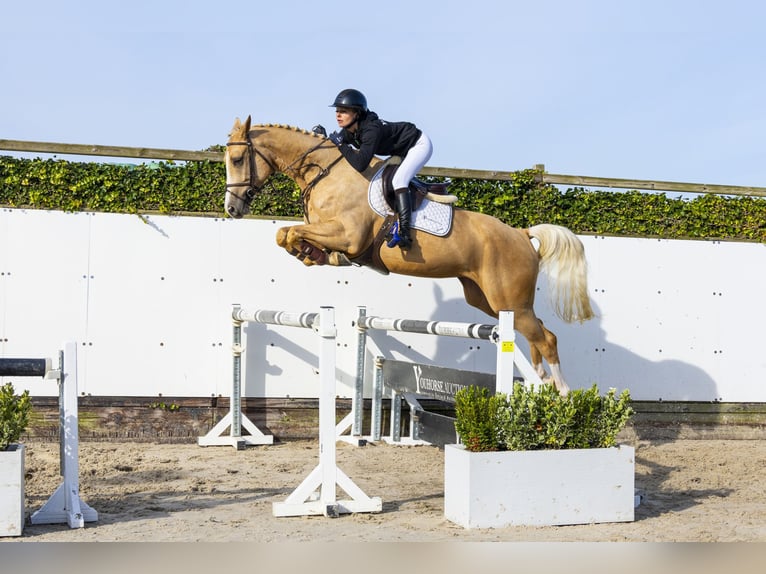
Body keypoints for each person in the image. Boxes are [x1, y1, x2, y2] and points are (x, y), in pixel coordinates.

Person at [322, 88, 433, 250]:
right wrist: (324, 138)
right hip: (400, 151)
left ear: (357, 114)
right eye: (337, 111)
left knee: (399, 180)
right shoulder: (350, 131)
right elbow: (339, 145)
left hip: (418, 144)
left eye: (343, 111)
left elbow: (360, 164)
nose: (338, 115)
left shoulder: (371, 130)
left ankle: (405, 233)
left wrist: (340, 144)